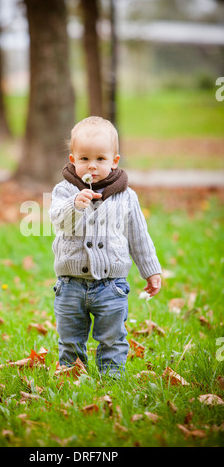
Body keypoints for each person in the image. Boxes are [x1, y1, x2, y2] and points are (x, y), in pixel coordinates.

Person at [49, 116, 162, 378]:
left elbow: (138, 236)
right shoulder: (65, 191)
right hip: (70, 284)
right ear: (72, 159)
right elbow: (58, 221)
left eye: (100, 159)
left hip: (111, 285)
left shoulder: (126, 195)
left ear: (114, 161)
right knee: (70, 339)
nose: (92, 165)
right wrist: (75, 205)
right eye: (84, 159)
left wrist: (150, 270)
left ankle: (110, 379)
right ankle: (71, 376)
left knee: (113, 338)